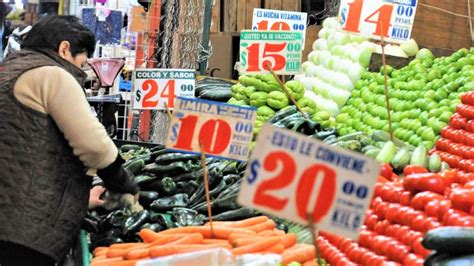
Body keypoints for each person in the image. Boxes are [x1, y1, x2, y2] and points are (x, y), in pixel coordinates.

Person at [0, 15, 138, 266]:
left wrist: (80, 198)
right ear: (64, 48)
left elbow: (30, 151)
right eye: (82, 61)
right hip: (22, 228)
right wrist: (123, 183)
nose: (81, 68)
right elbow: (94, 146)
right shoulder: (51, 73)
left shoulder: (12, 67)